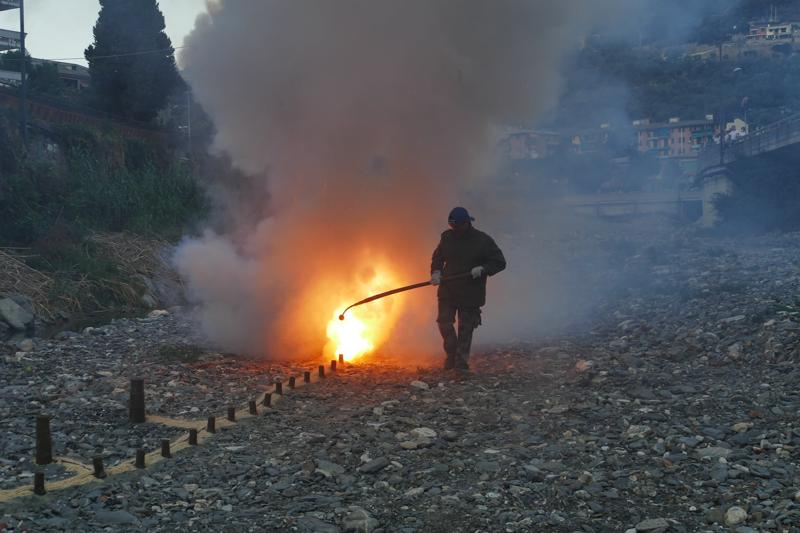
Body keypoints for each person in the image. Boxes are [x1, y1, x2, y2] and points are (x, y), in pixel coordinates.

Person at [430, 207, 506, 372]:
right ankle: (451, 354)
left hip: (470, 292)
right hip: (448, 290)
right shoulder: (447, 237)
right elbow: (438, 257)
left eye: (457, 226)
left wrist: (483, 269)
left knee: (465, 329)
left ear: (467, 223)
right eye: (452, 226)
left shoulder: (483, 241)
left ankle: (461, 364)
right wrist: (436, 272)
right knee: (444, 323)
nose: (455, 230)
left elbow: (500, 262)